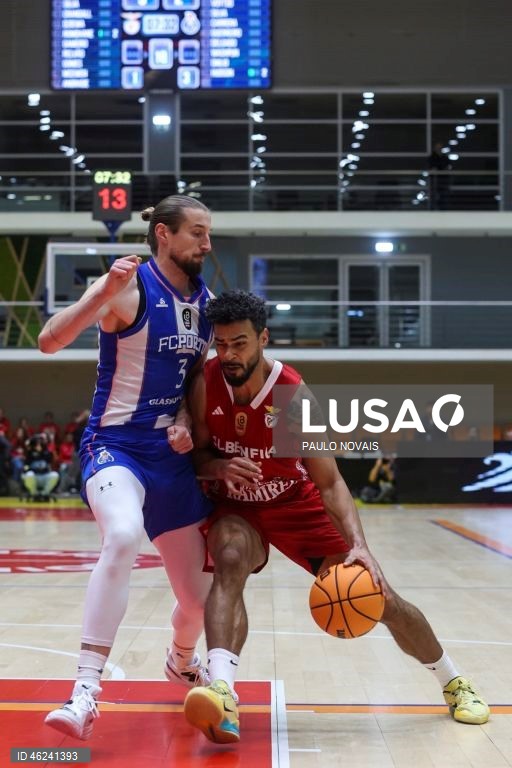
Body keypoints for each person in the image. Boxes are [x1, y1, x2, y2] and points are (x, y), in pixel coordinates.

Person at [183, 290, 489, 744]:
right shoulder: (206, 382)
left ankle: (453, 681)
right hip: (239, 505)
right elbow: (200, 454)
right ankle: (223, 689)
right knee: (228, 557)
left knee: (379, 599)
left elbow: (330, 482)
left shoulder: (290, 394)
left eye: (240, 344)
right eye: (221, 344)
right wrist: (218, 467)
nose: (228, 354)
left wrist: (360, 547)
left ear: (263, 338)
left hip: (295, 502)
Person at [38, 195, 215, 740]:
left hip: (171, 459)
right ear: (164, 234)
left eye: (209, 235)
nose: (207, 245)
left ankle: (181, 659)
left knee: (199, 601)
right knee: (122, 534)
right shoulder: (130, 286)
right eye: (197, 234)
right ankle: (86, 690)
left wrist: (187, 420)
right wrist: (101, 296)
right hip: (115, 446)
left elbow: (192, 385)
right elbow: (49, 341)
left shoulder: (207, 304)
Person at [20, 433, 60, 500]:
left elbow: (52, 459)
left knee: (55, 475)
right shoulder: (29, 453)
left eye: (40, 443)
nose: (38, 445)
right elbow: (25, 466)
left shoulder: (46, 452)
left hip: (44, 476)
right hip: (34, 477)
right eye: (36, 443)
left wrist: (41, 450)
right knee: (29, 475)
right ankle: (34, 493)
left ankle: (45, 493)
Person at [428, 142, 452, 210]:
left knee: (443, 196)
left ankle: (443, 208)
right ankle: (432, 209)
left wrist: (440, 168)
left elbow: (447, 166)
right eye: (438, 148)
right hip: (434, 181)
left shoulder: (444, 157)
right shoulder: (432, 157)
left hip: (443, 180)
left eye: (440, 148)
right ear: (435, 149)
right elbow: (432, 167)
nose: (439, 149)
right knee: (433, 195)